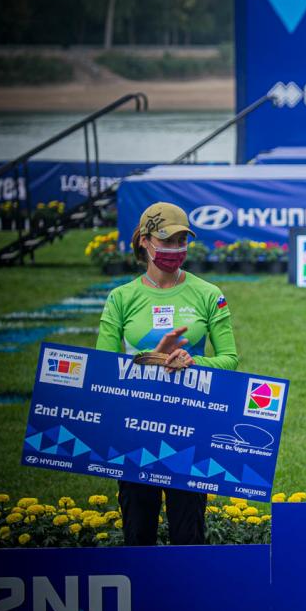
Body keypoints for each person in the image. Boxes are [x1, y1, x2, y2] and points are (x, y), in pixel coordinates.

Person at [96, 202, 239, 546]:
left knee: (188, 536)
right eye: (167, 240)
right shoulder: (121, 298)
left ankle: (190, 600)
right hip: (134, 429)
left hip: (190, 428)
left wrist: (191, 363)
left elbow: (230, 359)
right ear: (144, 241)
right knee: (138, 533)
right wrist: (152, 359)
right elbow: (101, 370)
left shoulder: (209, 294)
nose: (175, 250)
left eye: (181, 241)